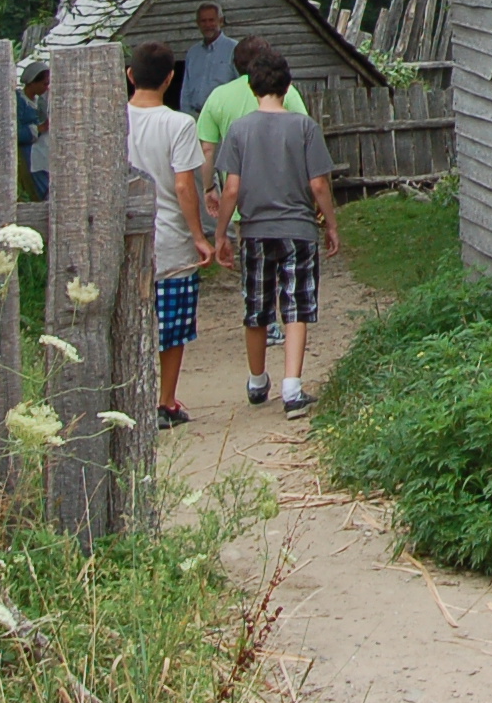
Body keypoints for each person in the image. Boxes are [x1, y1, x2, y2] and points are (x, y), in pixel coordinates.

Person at [214, 52, 339, 416]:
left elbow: (231, 189)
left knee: (257, 306)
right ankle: (292, 387)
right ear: (288, 86)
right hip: (298, 229)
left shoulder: (238, 130)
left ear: (252, 87)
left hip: (254, 230)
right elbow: (318, 184)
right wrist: (330, 224)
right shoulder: (305, 127)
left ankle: (256, 381)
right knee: (296, 304)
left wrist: (222, 233)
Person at [124, 40, 215, 427]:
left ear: (130, 76)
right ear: (170, 79)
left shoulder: (114, 120)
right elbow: (183, 186)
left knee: (130, 320)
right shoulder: (180, 124)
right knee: (172, 326)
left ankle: (130, 398)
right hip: (170, 238)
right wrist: (199, 235)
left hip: (125, 236)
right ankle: (165, 400)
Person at [195, 35, 311, 338]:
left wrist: (209, 188)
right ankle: (289, 315)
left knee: (254, 258)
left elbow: (207, 149)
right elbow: (305, 136)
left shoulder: (218, 97)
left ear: (235, 66)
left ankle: (264, 318)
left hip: (240, 197)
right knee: (288, 260)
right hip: (285, 196)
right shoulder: (288, 93)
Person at [176, 1, 240, 114]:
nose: (207, 25)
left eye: (211, 20)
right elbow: (185, 90)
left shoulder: (235, 49)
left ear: (220, 21)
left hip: (224, 115)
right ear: (198, 23)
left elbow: (242, 84)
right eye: (203, 21)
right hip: (197, 116)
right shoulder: (193, 53)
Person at [17, 59, 51, 200]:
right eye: (44, 84)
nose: (47, 87)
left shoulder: (40, 101)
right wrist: (38, 129)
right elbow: (14, 132)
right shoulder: (18, 101)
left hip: (42, 149)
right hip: (27, 154)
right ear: (33, 82)